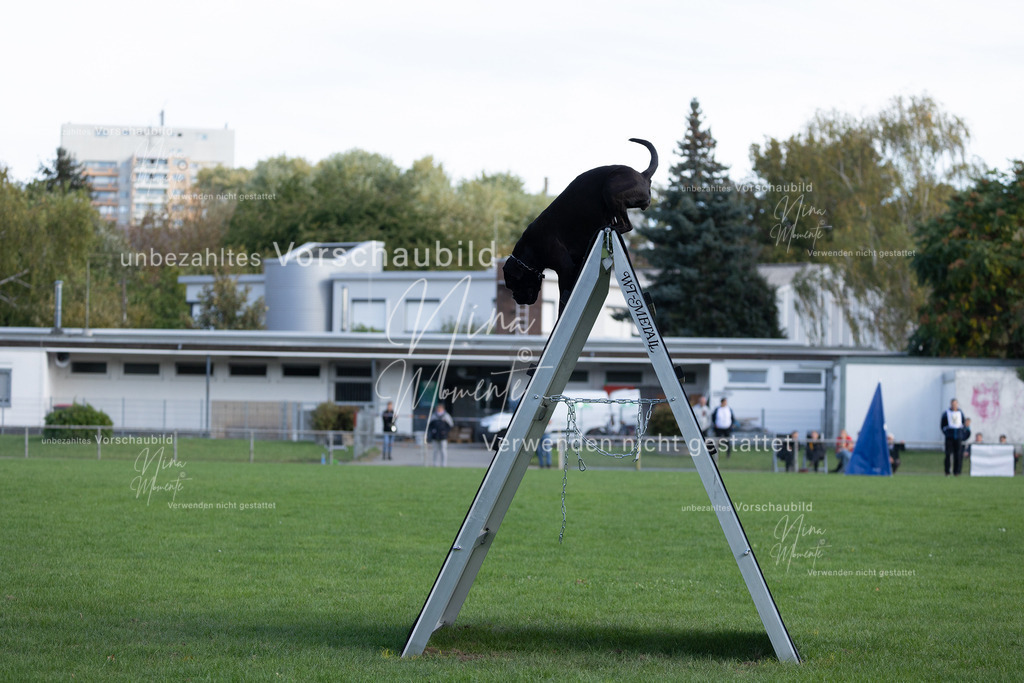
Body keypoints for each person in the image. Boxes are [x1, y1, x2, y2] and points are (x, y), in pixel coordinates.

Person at [941, 398, 968, 476]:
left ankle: (957, 472)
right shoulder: (946, 413)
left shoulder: (960, 413)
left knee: (958, 454)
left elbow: (963, 424)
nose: (954, 405)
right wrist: (946, 433)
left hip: (958, 436)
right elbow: (942, 425)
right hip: (949, 437)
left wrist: (961, 433)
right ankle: (947, 471)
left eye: (955, 404)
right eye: (953, 404)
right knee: (948, 454)